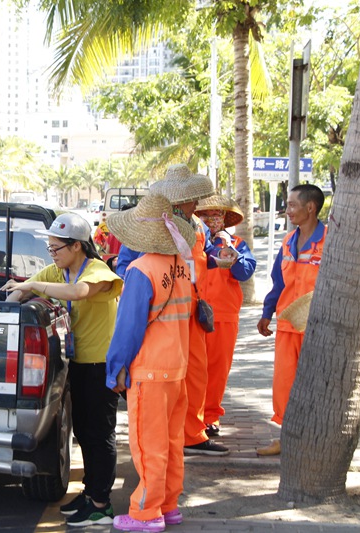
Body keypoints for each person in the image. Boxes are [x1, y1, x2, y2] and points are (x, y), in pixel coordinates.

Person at [0, 212, 123, 528]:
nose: (51, 254)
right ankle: (90, 493)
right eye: (50, 248)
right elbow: (23, 291)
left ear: (77, 246)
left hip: (101, 365)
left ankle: (101, 504)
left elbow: (79, 292)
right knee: (82, 433)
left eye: (56, 248)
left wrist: (33, 284)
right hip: (76, 363)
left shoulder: (98, 271)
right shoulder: (57, 271)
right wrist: (8, 309)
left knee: (99, 435)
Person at [115, 164, 234, 456]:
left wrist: (217, 258)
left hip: (191, 311)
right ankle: (172, 436)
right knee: (166, 379)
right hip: (163, 316)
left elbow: (201, 256)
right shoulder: (151, 225)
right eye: (193, 199)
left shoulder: (196, 226)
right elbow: (126, 267)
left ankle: (190, 434)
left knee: (196, 375)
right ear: (180, 200)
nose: (197, 203)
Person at [105, 194, 196, 533]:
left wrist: (115, 369)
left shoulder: (141, 269)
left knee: (148, 447)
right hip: (177, 368)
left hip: (150, 371)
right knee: (171, 444)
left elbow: (127, 328)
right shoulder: (182, 264)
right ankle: (168, 506)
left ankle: (146, 514)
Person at [256, 184, 326, 456]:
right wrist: (267, 313)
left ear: (311, 207)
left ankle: (314, 442)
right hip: (287, 324)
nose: (288, 210)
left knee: (315, 386)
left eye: (293, 205)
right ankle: (286, 439)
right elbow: (278, 281)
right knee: (284, 384)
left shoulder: (329, 241)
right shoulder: (287, 241)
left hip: (316, 328)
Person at [195, 196, 257, 437]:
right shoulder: (193, 243)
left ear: (224, 218)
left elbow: (244, 272)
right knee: (193, 369)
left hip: (223, 316)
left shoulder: (238, 244)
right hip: (192, 314)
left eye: (216, 215)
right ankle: (191, 418)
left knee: (217, 370)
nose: (211, 220)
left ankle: (210, 417)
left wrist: (230, 248)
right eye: (206, 215)